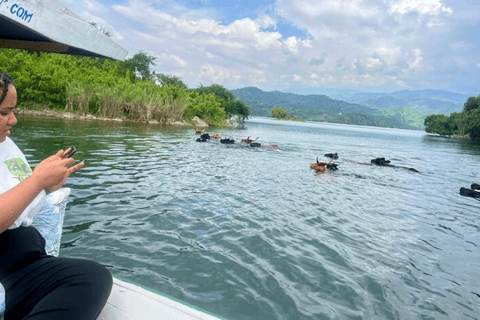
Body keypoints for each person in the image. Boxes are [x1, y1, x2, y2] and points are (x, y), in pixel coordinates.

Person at [0, 72, 112, 320]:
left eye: (13, 110)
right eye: (4, 112)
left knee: (92, 276)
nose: (14, 120)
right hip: (5, 265)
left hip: (24, 262)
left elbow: (16, 195)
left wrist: (45, 186)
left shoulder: (5, 143)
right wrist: (37, 179)